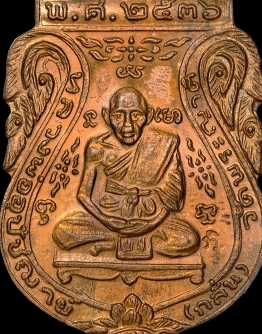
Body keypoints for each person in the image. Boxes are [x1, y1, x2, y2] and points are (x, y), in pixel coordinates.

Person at [53, 87, 199, 260]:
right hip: (105, 218)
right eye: (118, 116)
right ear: (106, 116)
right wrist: (107, 220)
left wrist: (151, 224)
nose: (127, 125)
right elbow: (83, 195)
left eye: (136, 115)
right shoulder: (97, 148)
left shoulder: (164, 144)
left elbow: (173, 198)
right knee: (63, 232)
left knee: (189, 239)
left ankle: (113, 243)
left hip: (152, 219)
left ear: (149, 116)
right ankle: (120, 240)